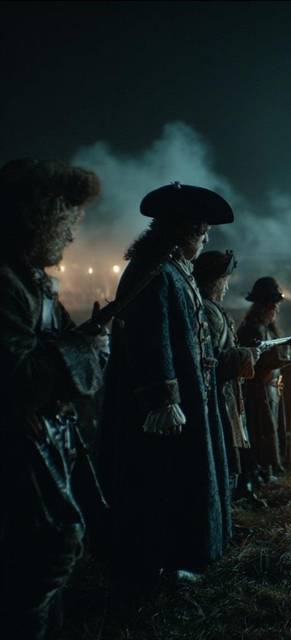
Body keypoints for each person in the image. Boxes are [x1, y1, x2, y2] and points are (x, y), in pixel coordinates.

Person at [97, 182, 234, 591]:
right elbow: (149, 337)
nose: (205, 240)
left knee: (177, 479)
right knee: (157, 481)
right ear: (183, 230)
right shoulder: (153, 271)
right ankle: (151, 566)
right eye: (202, 231)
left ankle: (173, 558)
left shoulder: (174, 270)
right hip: (158, 406)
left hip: (188, 393)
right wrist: (164, 399)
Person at [0, 158, 107, 640]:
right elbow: (18, 379)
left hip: (42, 443)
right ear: (38, 216)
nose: (70, 237)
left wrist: (88, 339)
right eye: (67, 221)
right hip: (16, 448)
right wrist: (85, 347)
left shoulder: (31, 280)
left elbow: (58, 343)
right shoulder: (7, 283)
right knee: (45, 553)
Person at [237, 277, 291, 483]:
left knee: (270, 431)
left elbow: (283, 358)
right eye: (272, 304)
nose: (276, 309)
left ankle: (266, 471)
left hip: (270, 389)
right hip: (257, 390)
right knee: (258, 433)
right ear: (265, 306)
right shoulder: (252, 329)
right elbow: (264, 361)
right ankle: (254, 475)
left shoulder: (267, 329)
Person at [193, 250, 258, 495]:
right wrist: (246, 355)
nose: (227, 286)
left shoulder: (211, 309)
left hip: (225, 393)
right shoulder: (208, 312)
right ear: (216, 281)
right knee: (223, 453)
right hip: (217, 396)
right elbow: (213, 359)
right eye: (224, 280)